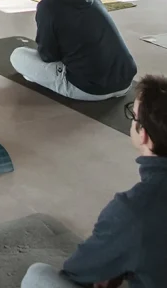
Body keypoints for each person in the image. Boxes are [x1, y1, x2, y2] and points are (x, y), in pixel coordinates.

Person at [21, 74, 167, 288]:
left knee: (38, 276)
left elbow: (77, 272)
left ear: (144, 134)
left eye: (133, 116)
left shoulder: (133, 211)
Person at [11, 0, 136, 101]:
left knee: (18, 55)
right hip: (124, 81)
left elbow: (48, 56)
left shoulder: (48, 5)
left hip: (90, 88)